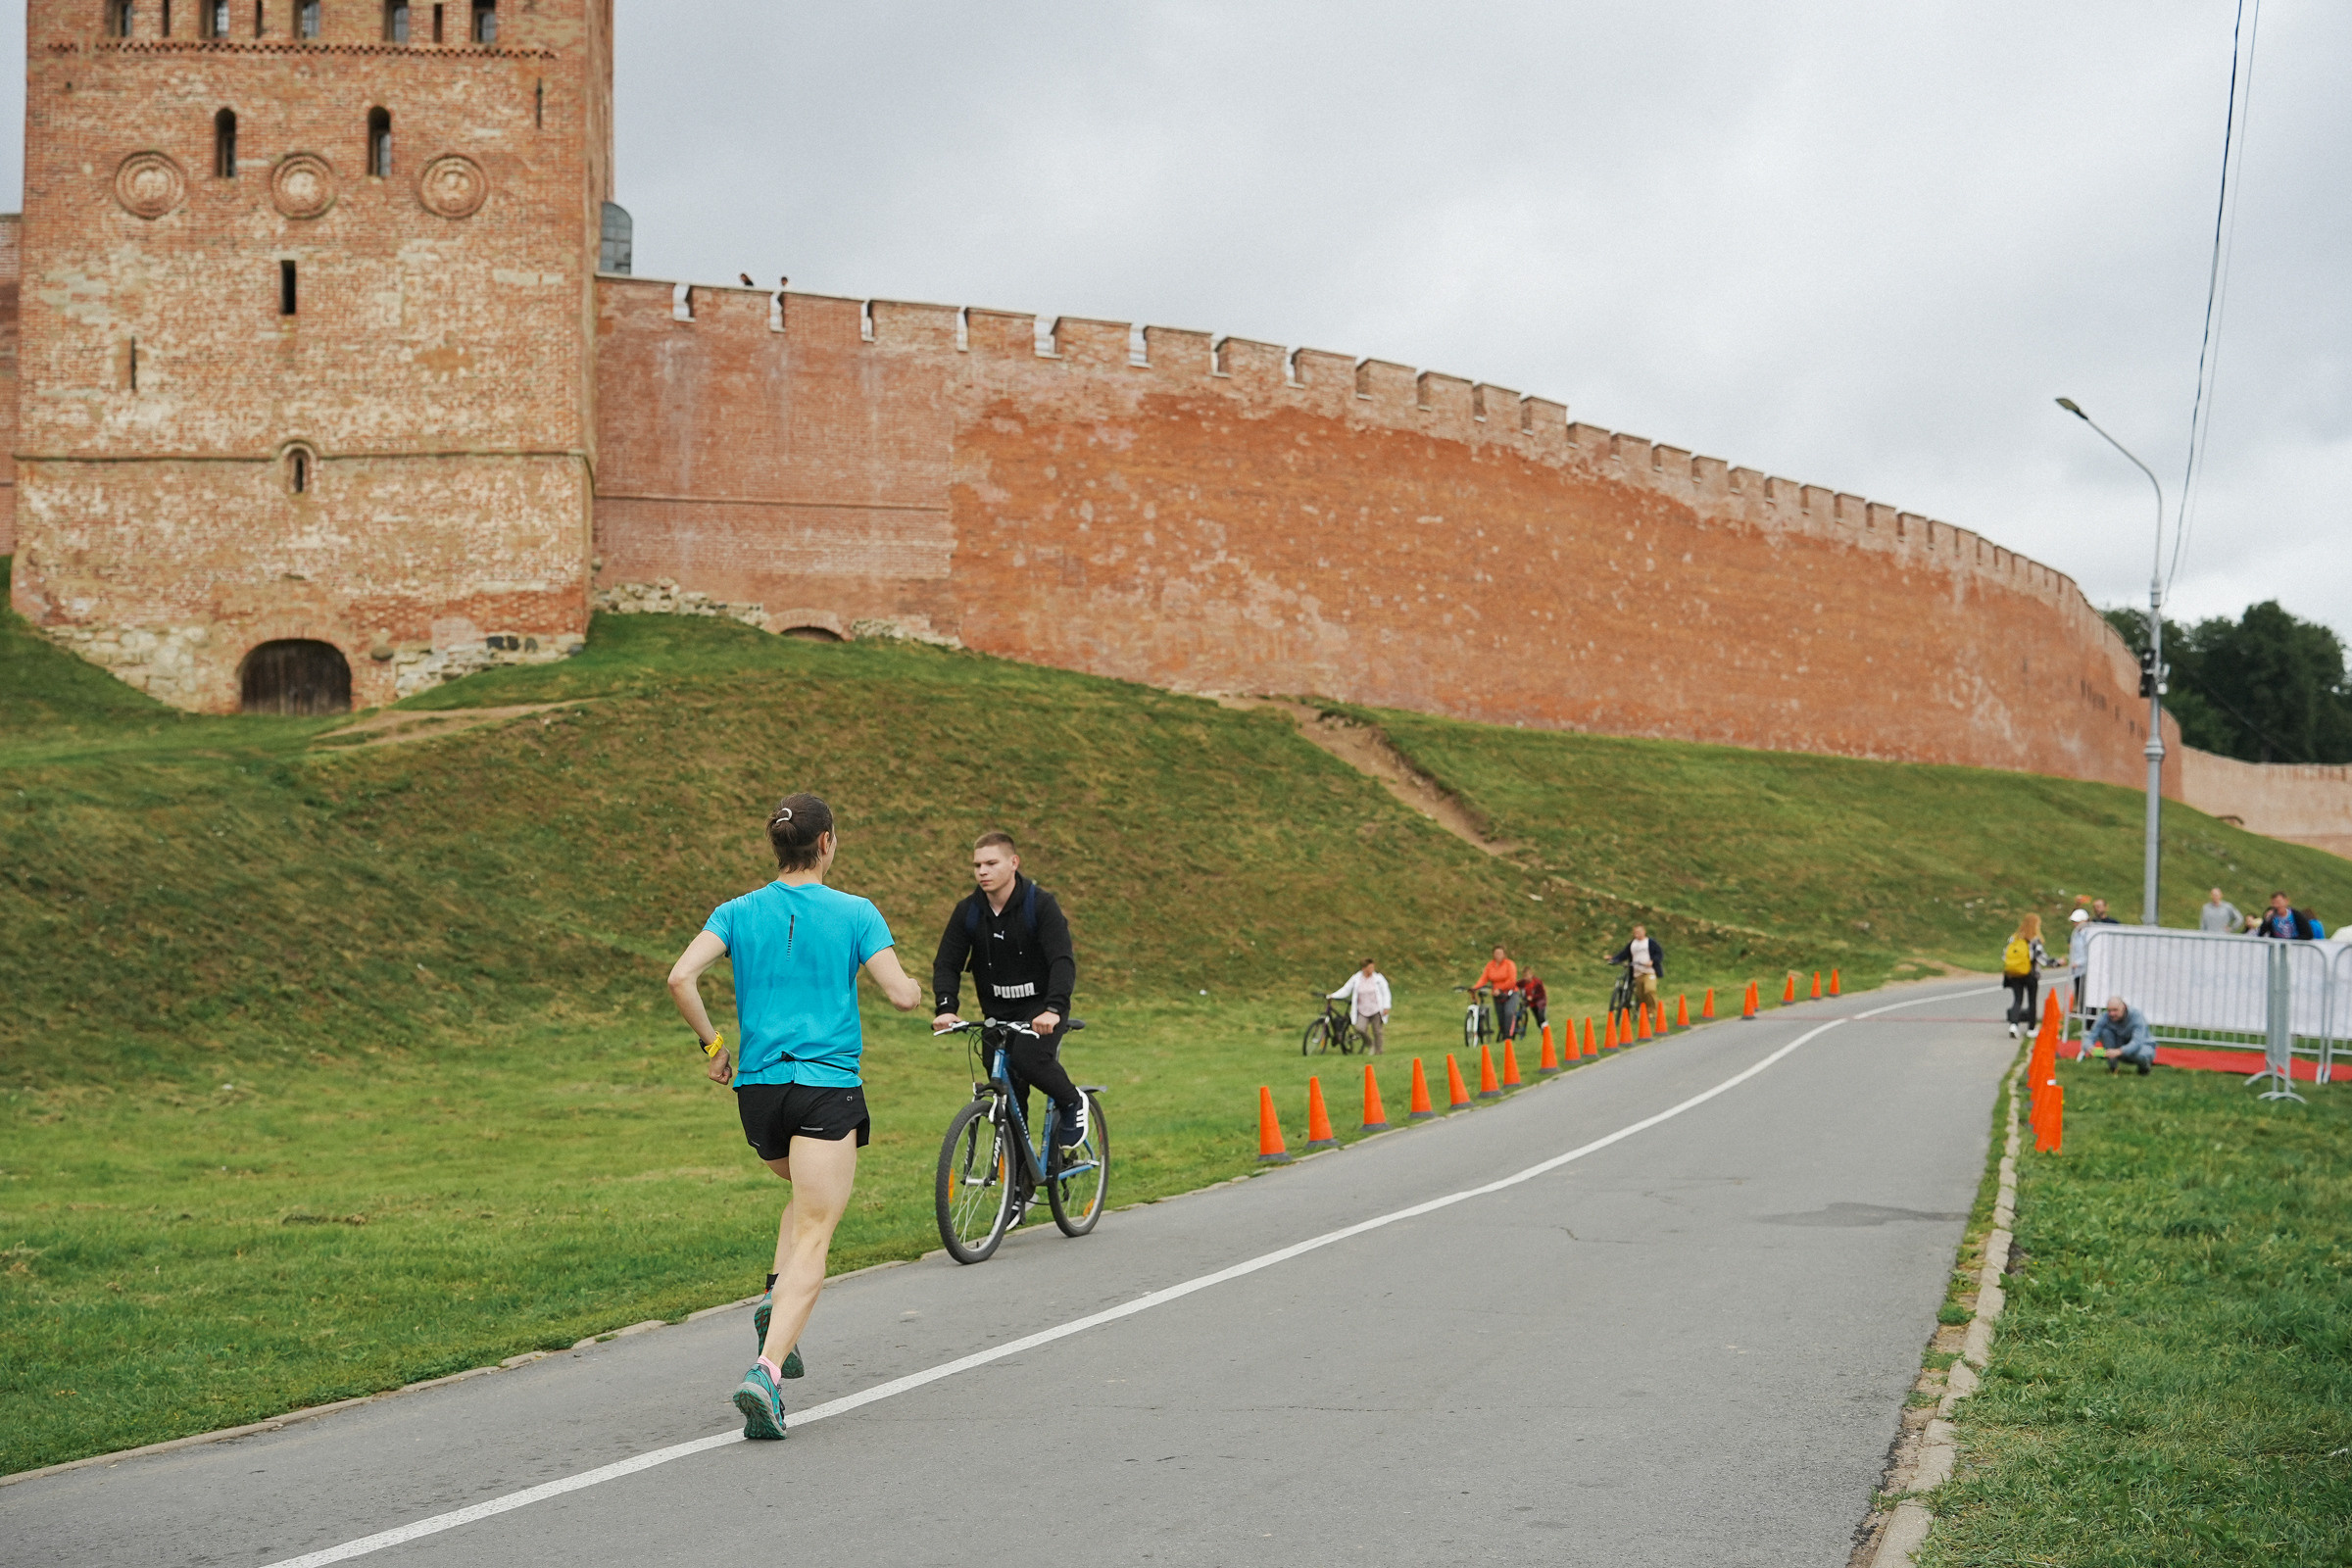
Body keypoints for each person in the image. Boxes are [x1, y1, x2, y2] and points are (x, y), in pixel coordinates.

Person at [666, 793, 923, 1442]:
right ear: (828, 842)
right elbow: (899, 994)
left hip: (759, 1093)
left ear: (776, 847)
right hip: (824, 1085)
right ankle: (767, 1373)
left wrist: (713, 1047)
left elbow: (680, 977)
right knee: (817, 1230)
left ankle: (774, 1295)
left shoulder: (736, 911)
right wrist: (915, 989)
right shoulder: (855, 913)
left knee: (805, 1200)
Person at [931, 831, 1085, 1159]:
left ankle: (1073, 1102)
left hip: (1041, 1009)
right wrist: (946, 1006)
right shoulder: (968, 912)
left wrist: (1055, 1009)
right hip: (997, 1015)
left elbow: (1062, 960)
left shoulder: (1040, 905)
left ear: (1013, 863)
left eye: (991, 863)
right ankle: (1019, 1188)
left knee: (1031, 1059)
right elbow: (947, 962)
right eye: (977, 865)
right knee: (1007, 1091)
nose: (982, 871)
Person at [1328, 958, 1393, 1054]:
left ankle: (1379, 1051)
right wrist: (1333, 995)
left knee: (1377, 1031)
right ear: (1364, 969)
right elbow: (1346, 989)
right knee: (1360, 1029)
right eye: (1370, 968)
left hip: (1376, 1009)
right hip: (1362, 1010)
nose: (1372, 969)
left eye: (1373, 967)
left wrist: (1386, 1006)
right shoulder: (1356, 978)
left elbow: (1386, 992)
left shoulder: (1378, 979)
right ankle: (1371, 1045)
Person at [2000, 914, 2048, 1039]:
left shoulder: (2014, 938)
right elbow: (2041, 958)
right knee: (2032, 1001)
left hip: (2015, 974)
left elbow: (2005, 955)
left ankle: (2014, 1025)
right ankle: (2031, 1029)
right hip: (2030, 974)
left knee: (2017, 1000)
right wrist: (2056, 962)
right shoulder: (2034, 940)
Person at [2086, 994, 2157, 1075]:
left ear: (2124, 1007)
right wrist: (2089, 1047)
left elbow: (2137, 1042)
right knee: (2105, 1032)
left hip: (2143, 1047)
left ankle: (2144, 1070)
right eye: (2109, 1010)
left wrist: (2119, 1051)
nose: (2111, 1014)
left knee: (2141, 1055)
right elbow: (2091, 1036)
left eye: (2115, 1010)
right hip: (2119, 1048)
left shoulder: (2137, 1016)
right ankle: (2113, 1068)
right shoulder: (2105, 1016)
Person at [1607, 925, 1665, 1009]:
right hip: (1637, 973)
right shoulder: (1632, 944)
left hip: (1649, 971)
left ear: (1644, 932)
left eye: (1639, 932)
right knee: (1640, 995)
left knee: (1649, 990)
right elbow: (1623, 954)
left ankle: (1652, 1012)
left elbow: (1659, 954)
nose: (1637, 934)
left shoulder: (1650, 942)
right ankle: (1644, 1014)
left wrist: (1652, 961)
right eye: (1635, 932)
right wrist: (1613, 959)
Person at [1471, 945, 1519, 1043]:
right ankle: (1503, 1034)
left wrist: (1500, 989)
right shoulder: (1490, 965)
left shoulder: (1509, 964)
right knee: (1501, 1017)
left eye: (1500, 953)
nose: (1498, 955)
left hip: (1510, 993)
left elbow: (1512, 980)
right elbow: (1484, 979)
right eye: (1496, 953)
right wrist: (1475, 988)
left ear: (1504, 954)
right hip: (1497, 995)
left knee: (1509, 1013)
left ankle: (1508, 1037)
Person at [2252, 891, 2324, 941]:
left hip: (2296, 949)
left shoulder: (2296, 915)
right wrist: (2266, 920)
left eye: (2278, 902)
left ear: (2286, 901)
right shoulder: (2272, 917)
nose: (2276, 906)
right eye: (2273, 903)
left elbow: (2308, 934)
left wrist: (2292, 940)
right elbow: (2261, 933)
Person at [1518, 971, 1547, 1040]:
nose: (1526, 978)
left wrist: (1533, 997)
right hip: (1532, 1003)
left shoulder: (1537, 982)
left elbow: (1541, 994)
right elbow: (1515, 985)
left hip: (1540, 1002)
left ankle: (1546, 1030)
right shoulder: (1523, 982)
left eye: (1527, 976)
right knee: (1537, 1020)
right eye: (1524, 976)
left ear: (1531, 975)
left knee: (1541, 1016)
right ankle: (1543, 1030)